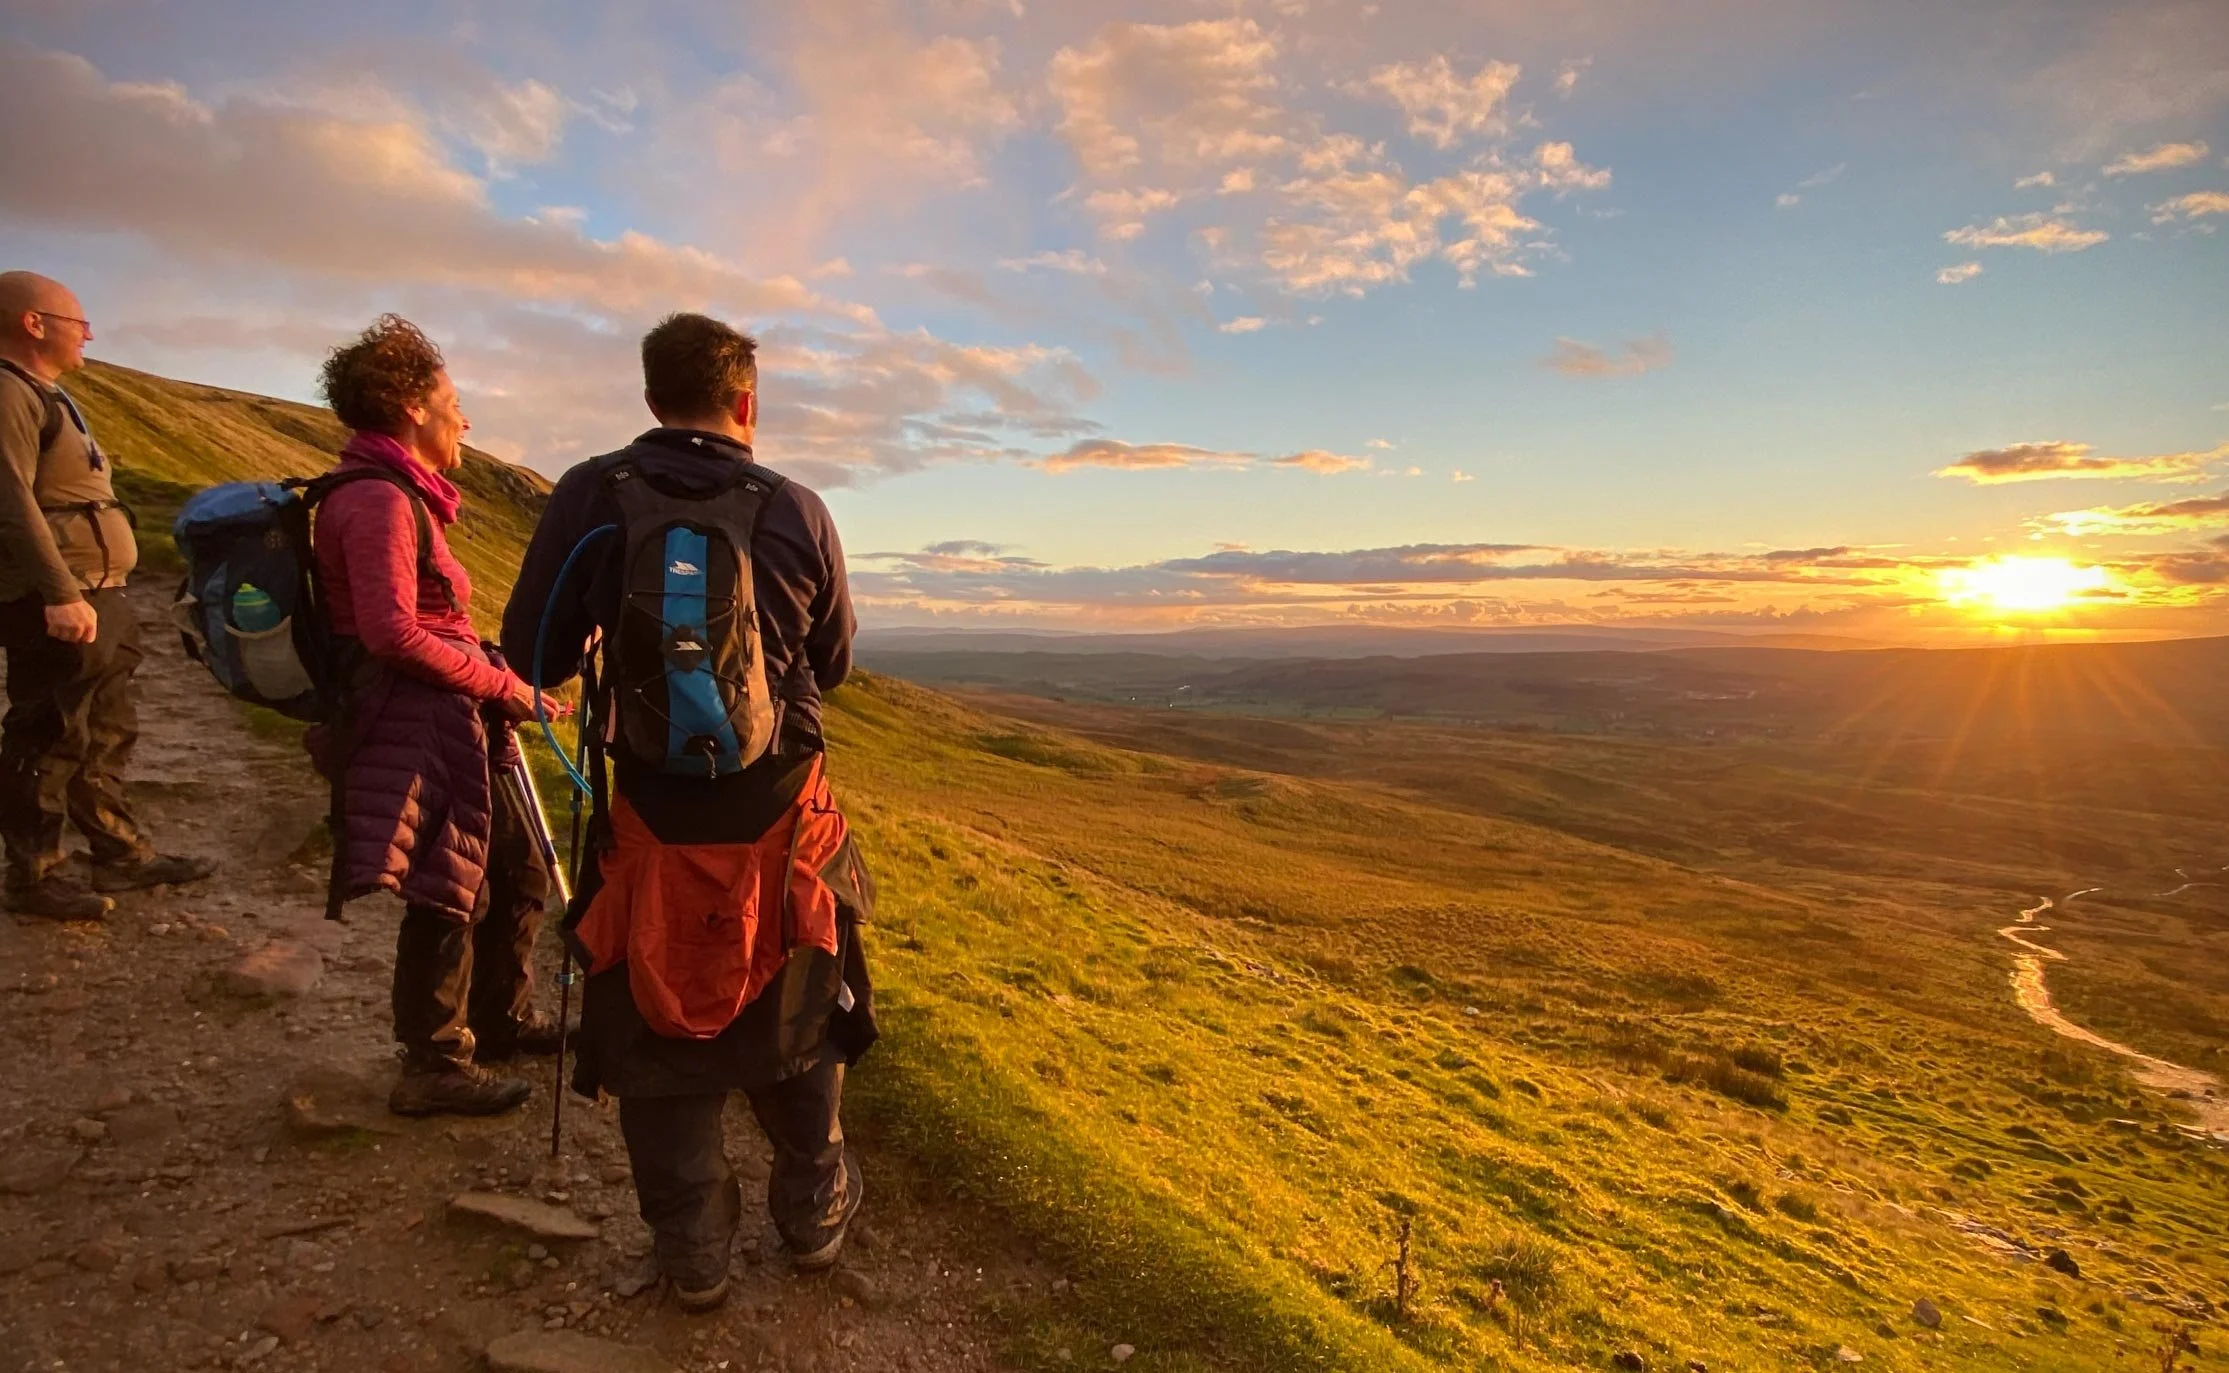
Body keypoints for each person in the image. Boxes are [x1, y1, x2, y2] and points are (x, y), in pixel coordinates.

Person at [502, 312, 872, 1312]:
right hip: (782, 806)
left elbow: (532, 655)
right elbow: (833, 659)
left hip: (650, 811)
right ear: (747, 400)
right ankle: (812, 1212)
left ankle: (693, 1250)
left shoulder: (592, 493)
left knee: (653, 1013)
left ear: (651, 397)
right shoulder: (795, 507)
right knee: (797, 990)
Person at [309, 315, 560, 1117]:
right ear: (413, 408)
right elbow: (390, 632)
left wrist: (499, 682)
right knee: (450, 885)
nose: (465, 419)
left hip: (450, 714)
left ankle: (499, 1016)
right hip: (415, 720)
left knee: (514, 867)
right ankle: (433, 1062)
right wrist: (499, 687)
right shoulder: (379, 499)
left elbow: (427, 622)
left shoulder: (399, 493)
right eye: (454, 402)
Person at [0, 270, 215, 921]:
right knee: (49, 731)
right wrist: (59, 592)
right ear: (34, 323)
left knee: (106, 728)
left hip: (101, 592)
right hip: (56, 598)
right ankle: (33, 874)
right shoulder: (9, 392)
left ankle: (117, 850)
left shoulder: (49, 394)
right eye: (78, 322)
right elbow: (11, 502)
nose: (88, 334)